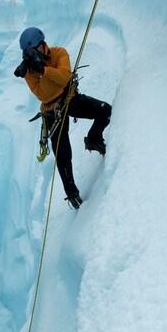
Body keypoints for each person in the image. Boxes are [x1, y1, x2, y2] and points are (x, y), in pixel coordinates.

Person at [14, 27, 111, 209]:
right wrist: (36, 70)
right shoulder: (28, 71)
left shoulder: (59, 53)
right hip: (52, 110)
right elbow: (43, 94)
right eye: (30, 52)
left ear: (43, 45)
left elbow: (64, 78)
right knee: (62, 153)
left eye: (35, 50)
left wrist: (43, 70)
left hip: (70, 98)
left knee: (105, 111)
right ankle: (72, 194)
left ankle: (93, 139)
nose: (33, 54)